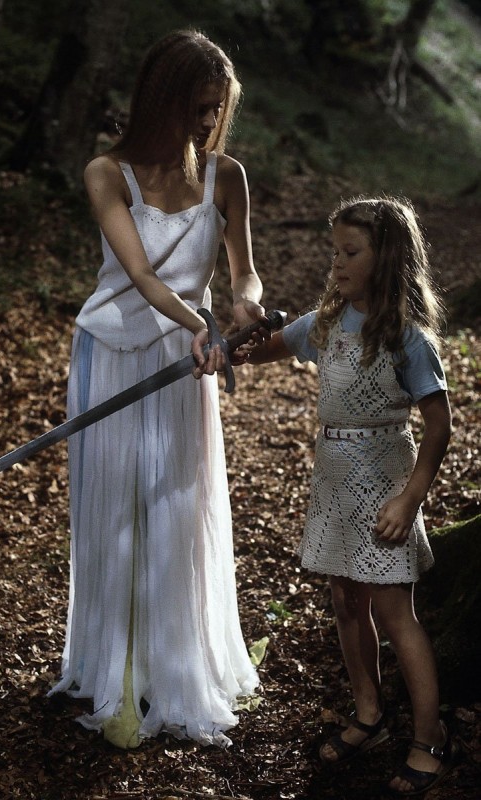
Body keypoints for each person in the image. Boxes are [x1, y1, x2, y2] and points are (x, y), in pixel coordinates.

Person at [48, 28, 266, 749]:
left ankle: (171, 667)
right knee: (117, 512)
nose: (208, 122)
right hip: (112, 353)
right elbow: (141, 275)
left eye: (217, 108)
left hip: (184, 361)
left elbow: (243, 270)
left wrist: (244, 304)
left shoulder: (227, 176)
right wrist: (203, 323)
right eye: (198, 107)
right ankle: (115, 674)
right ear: (161, 100)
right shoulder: (107, 173)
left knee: (173, 506)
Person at [249, 196, 456, 796]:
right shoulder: (325, 322)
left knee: (394, 612)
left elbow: (439, 427)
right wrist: (232, 344)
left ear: (385, 258)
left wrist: (409, 500)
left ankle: (430, 738)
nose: (336, 263)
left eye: (350, 252)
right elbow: (266, 348)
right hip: (334, 476)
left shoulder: (408, 338)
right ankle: (369, 713)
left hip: (385, 477)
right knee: (345, 600)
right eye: (334, 251)